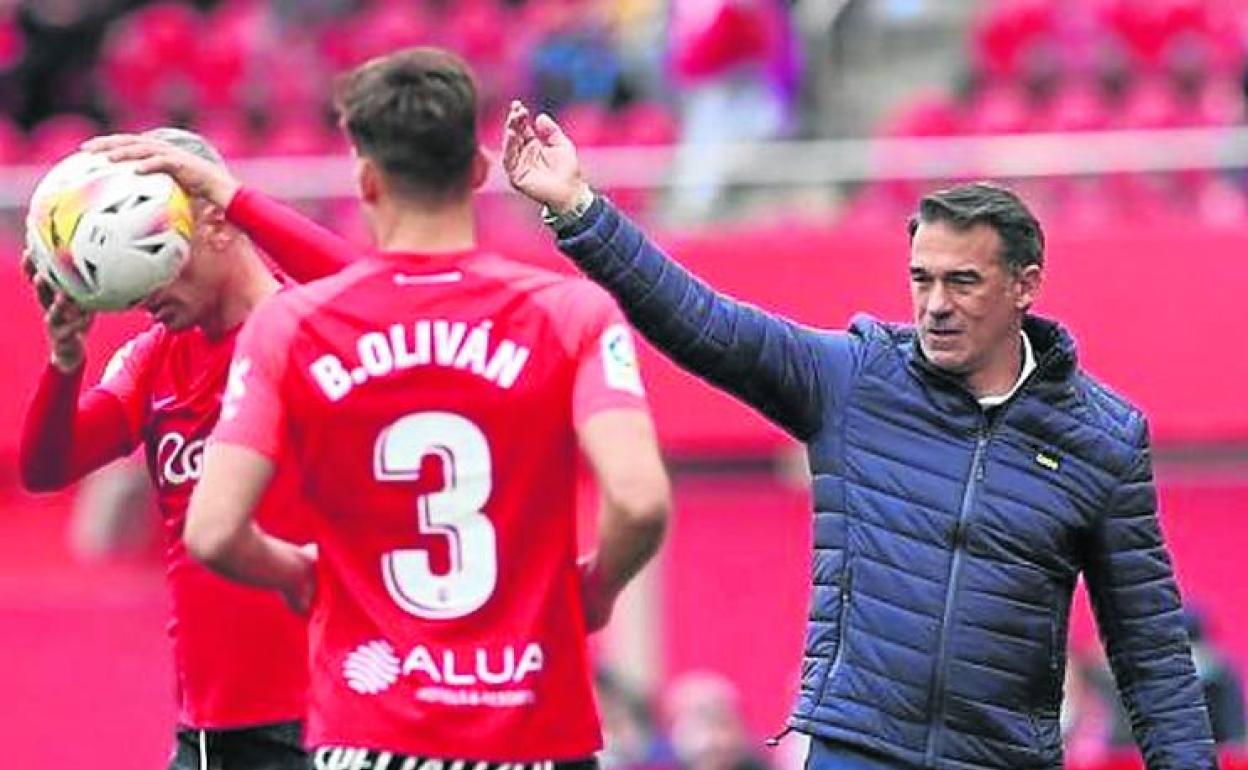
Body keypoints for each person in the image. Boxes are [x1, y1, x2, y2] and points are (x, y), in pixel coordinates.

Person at [502, 102, 1217, 769]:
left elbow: (1150, 652)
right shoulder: (858, 378)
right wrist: (578, 210)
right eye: (921, 280)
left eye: (962, 282)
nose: (935, 305)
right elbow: (705, 324)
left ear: (1025, 285)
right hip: (854, 747)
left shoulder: (1105, 437)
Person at [112, 47, 669, 768]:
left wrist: (306, 578)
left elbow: (214, 531)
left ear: (365, 181)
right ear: (476, 171)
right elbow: (641, 500)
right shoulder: (572, 314)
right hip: (534, 726)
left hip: (372, 732)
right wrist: (593, 591)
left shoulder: (295, 327)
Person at [18, 126, 356, 770]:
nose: (144, 298)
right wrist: (65, 363)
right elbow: (47, 468)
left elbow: (374, 291)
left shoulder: (310, 327)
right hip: (207, 731)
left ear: (214, 225)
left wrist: (234, 197)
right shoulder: (155, 358)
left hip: (326, 719)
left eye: (158, 259)